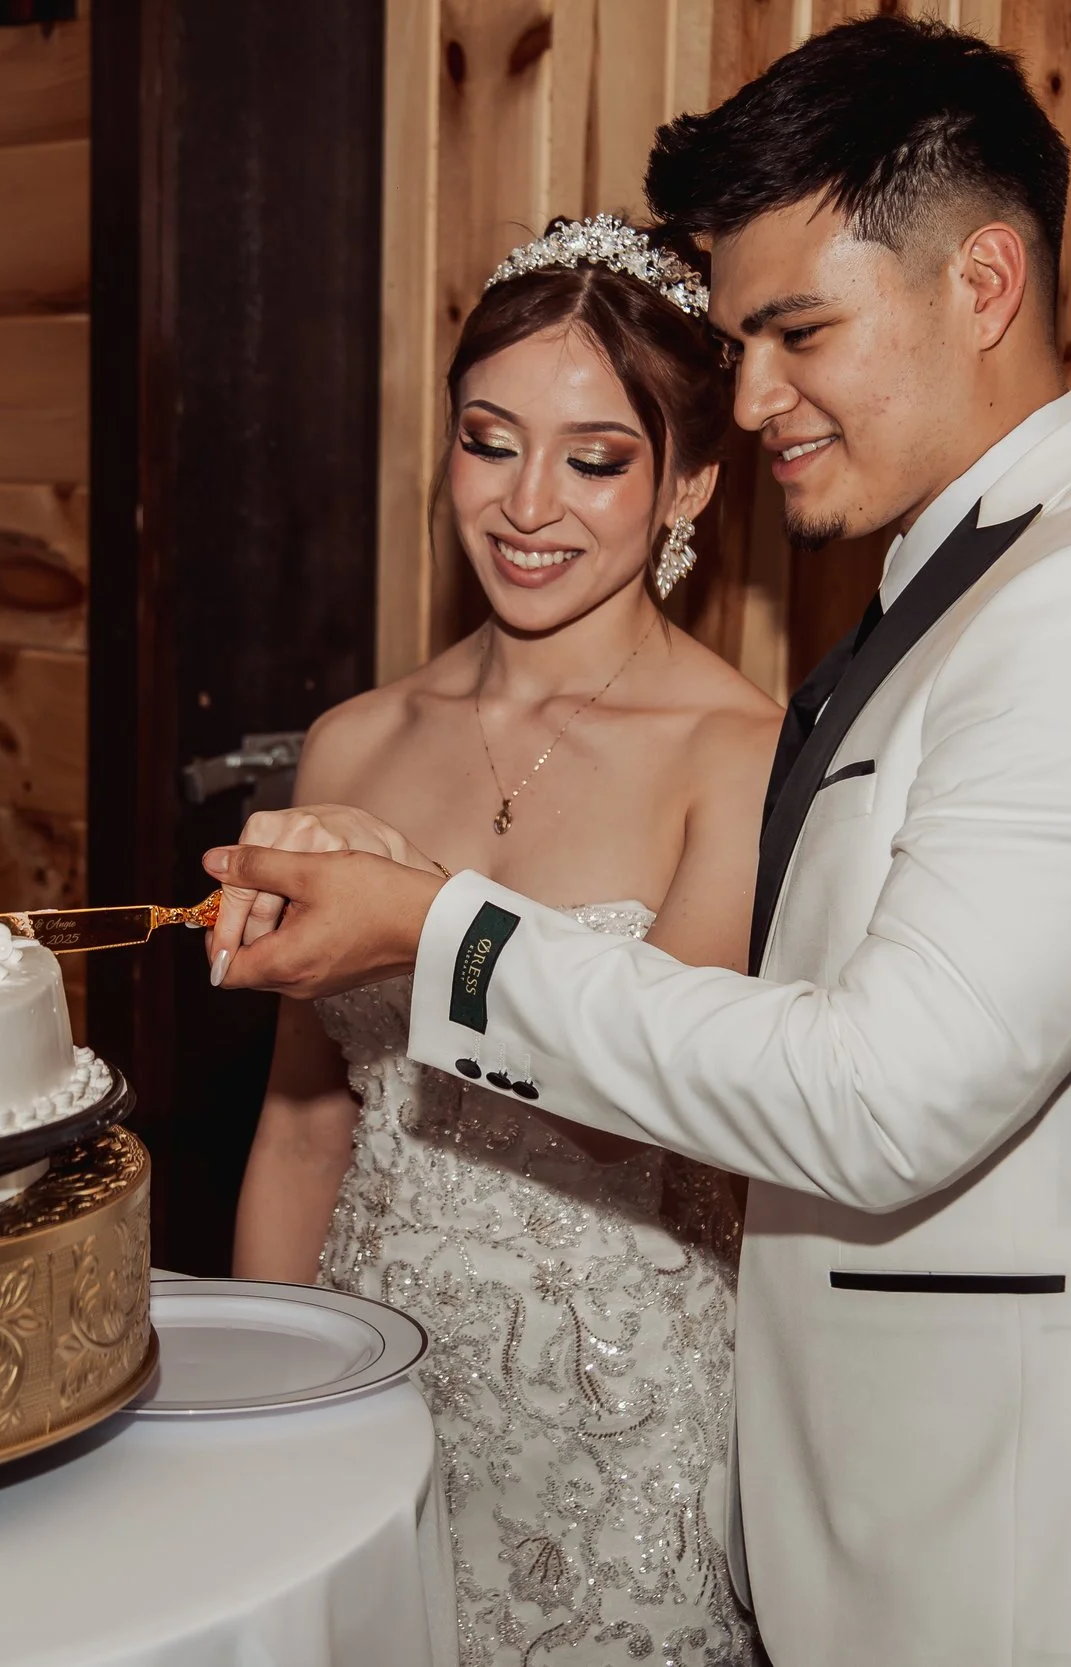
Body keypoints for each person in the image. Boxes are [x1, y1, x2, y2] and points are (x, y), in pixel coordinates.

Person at [206, 18, 1071, 1667]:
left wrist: (433, 925)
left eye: (797, 330)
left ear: (983, 283)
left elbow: (881, 1094)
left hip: (1049, 1548)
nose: (747, 397)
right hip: (878, 1528)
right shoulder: (954, 597)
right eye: (740, 341)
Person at [230, 214, 780, 1665]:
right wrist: (266, 1423)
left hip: (620, 1421)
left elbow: (658, 1118)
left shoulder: (739, 756)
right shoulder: (354, 740)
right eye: (490, 440)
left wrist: (421, 919)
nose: (530, 503)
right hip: (370, 1393)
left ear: (692, 485)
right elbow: (300, 1134)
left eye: (597, 458)